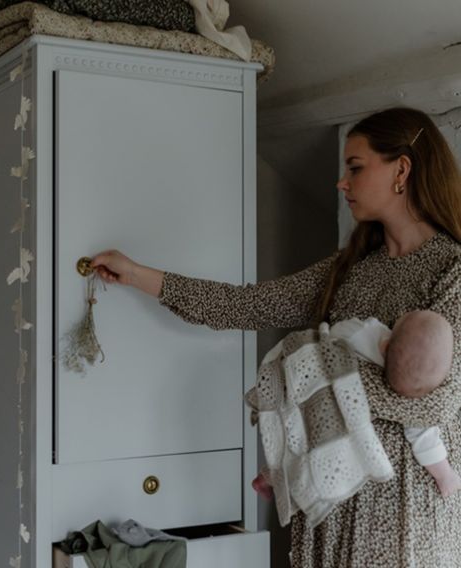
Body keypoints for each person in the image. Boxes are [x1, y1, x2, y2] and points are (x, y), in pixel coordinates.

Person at [91, 107, 461, 567]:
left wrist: (315, 375)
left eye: (356, 168)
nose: (341, 182)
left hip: (403, 501)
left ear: (401, 170)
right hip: (331, 492)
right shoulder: (349, 269)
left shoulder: (451, 270)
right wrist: (137, 275)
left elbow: (437, 402)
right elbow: (245, 305)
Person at [251, 310, 461, 509]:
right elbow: (426, 440)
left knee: (293, 438)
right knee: (318, 460)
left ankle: (268, 476)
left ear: (386, 345)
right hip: (334, 428)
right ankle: (271, 480)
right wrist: (445, 476)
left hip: (306, 396)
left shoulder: (366, 331)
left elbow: (337, 332)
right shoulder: (411, 404)